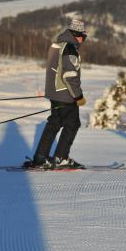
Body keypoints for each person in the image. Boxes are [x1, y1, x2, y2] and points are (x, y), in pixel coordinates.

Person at [26, 19, 87, 169]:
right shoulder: (70, 49)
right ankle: (61, 158)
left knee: (54, 124)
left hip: (55, 93)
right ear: (76, 34)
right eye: (83, 37)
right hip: (66, 95)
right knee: (72, 124)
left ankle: (40, 158)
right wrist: (78, 96)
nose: (83, 40)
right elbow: (70, 76)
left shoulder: (57, 45)